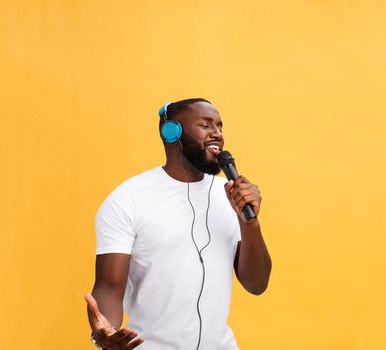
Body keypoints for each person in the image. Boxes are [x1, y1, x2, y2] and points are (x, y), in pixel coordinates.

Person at [84, 98, 273, 349]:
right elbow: (109, 286)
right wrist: (104, 335)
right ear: (172, 132)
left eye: (219, 126)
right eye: (205, 125)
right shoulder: (129, 198)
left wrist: (249, 223)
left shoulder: (229, 196)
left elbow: (256, 284)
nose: (217, 133)